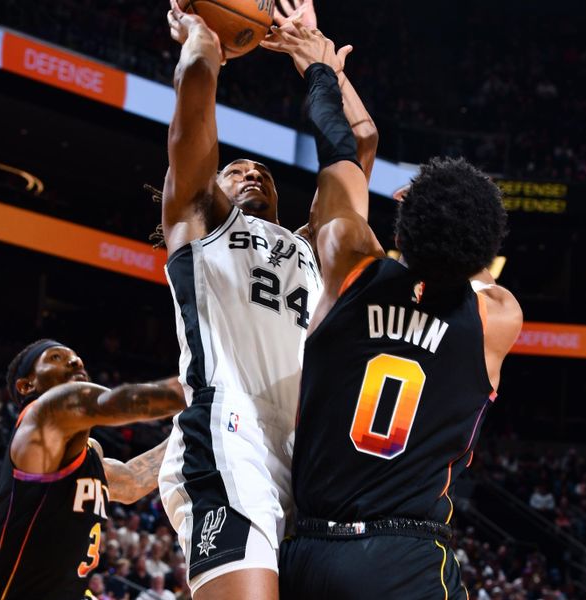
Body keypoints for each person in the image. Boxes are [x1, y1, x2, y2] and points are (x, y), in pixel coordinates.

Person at [261, 22, 524, 599]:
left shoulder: (348, 264)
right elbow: (471, 270)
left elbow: (343, 150)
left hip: (308, 555)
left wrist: (320, 69)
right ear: (487, 244)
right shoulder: (497, 319)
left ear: (404, 215)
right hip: (405, 559)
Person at [159, 0, 378, 597]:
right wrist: (203, 42)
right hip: (228, 439)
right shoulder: (199, 223)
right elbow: (195, 103)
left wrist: (318, 56)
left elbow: (359, 142)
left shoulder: (312, 247)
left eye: (264, 171)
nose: (252, 171)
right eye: (236, 170)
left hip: (307, 460)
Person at [0, 339, 185, 600]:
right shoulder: (41, 416)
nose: (75, 361)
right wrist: (201, 386)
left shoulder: (89, 454)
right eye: (56, 357)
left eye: (77, 358)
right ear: (27, 384)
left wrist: (187, 428)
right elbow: (115, 401)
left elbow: (133, 482)